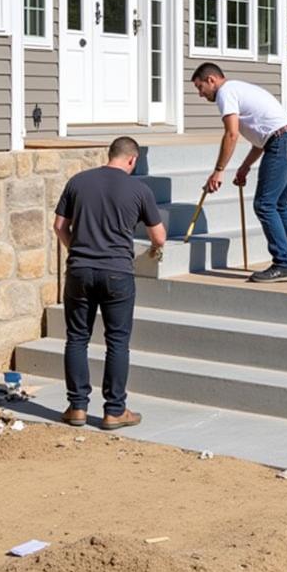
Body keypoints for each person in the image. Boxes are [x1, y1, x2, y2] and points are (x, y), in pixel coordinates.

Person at [53, 136, 165, 430]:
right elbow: (160, 236)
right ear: (132, 160)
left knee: (77, 337)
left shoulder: (78, 181)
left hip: (79, 270)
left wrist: (74, 250)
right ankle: (114, 410)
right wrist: (153, 250)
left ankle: (77, 407)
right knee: (117, 342)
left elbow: (59, 227)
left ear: (110, 154)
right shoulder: (139, 189)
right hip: (117, 273)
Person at [191, 62, 287, 283]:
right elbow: (262, 137)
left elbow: (231, 134)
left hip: (283, 141)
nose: (200, 94)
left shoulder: (225, 93)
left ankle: (284, 264)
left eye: (200, 87)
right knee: (279, 203)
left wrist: (218, 171)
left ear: (211, 80)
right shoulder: (241, 89)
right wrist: (245, 166)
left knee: (264, 204)